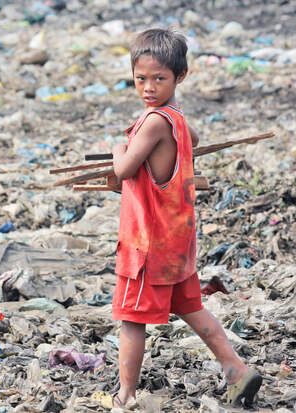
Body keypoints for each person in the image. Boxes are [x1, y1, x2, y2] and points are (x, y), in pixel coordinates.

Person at [107, 28, 262, 409]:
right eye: (140, 78)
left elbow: (126, 169)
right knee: (192, 307)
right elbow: (188, 139)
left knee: (131, 320)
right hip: (177, 242)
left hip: (148, 245)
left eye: (159, 78)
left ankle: (125, 395)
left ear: (181, 76)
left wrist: (116, 148)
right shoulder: (176, 119)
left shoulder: (154, 122)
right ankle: (236, 371)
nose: (147, 87)